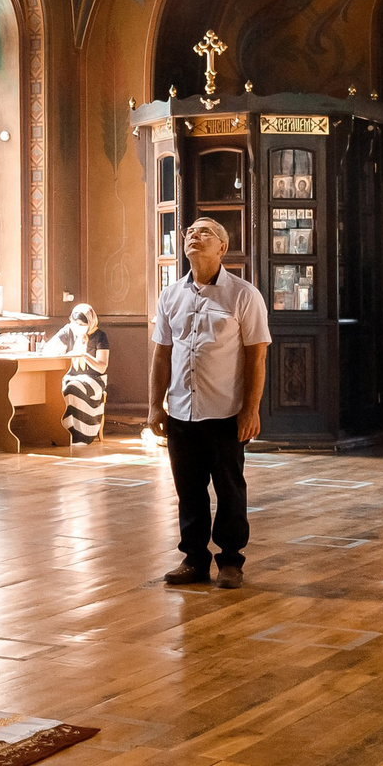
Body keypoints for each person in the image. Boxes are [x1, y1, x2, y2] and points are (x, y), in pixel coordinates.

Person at [148, 218, 269, 590]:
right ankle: (194, 559)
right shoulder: (171, 295)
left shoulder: (243, 295)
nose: (193, 237)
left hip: (225, 412)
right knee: (189, 490)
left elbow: (257, 357)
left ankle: (231, 562)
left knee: (230, 489)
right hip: (182, 411)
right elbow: (161, 355)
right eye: (189, 233)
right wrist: (155, 405)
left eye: (204, 233)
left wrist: (250, 409)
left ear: (222, 248)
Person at [54, 303, 110, 443]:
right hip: (70, 375)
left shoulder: (99, 336)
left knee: (73, 388)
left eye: (82, 324)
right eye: (75, 323)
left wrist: (84, 355)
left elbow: (102, 367)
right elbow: (53, 349)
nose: (78, 326)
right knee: (57, 388)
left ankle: (80, 435)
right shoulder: (68, 331)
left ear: (89, 322)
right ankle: (60, 432)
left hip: (93, 378)